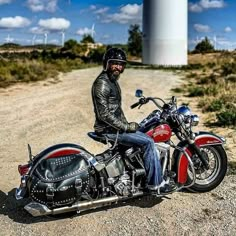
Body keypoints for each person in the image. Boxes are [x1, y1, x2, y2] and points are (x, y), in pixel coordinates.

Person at [91, 47, 173, 193]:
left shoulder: (112, 81)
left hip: (114, 127)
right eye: (114, 63)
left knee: (143, 130)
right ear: (107, 63)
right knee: (148, 142)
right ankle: (156, 184)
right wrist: (126, 127)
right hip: (108, 129)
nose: (118, 66)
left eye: (121, 64)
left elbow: (115, 110)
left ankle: (137, 171)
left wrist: (128, 125)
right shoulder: (102, 83)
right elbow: (104, 114)